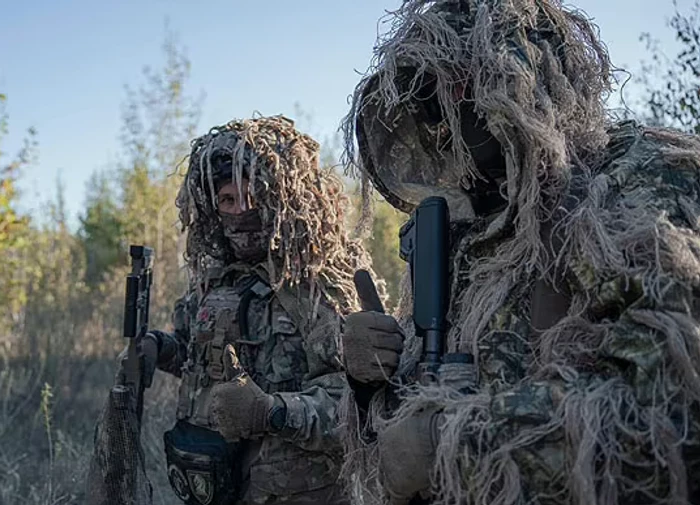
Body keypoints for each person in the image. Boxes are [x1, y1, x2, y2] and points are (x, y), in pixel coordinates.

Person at [337, 1, 700, 504]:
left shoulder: (631, 186)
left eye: (459, 87)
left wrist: (452, 445)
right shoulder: (462, 231)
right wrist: (368, 383)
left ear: (518, 74)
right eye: (433, 100)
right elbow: (407, 432)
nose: (445, 117)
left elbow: (673, 411)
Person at [136, 115, 375, 505]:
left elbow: (356, 407)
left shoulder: (320, 286)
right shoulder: (214, 281)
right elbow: (199, 360)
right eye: (227, 201)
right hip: (216, 485)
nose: (240, 212)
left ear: (280, 199)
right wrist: (159, 348)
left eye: (251, 197)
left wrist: (271, 412)